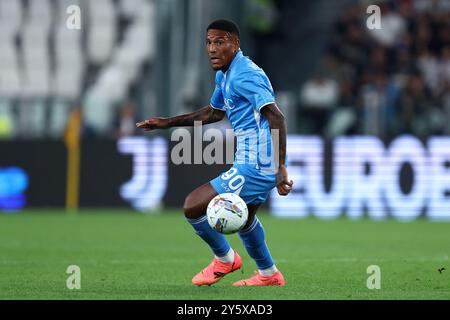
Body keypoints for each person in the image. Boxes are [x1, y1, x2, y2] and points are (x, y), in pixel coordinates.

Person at [136, 19, 293, 286]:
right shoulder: (225, 74)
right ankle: (269, 274)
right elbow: (213, 113)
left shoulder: (246, 74)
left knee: (193, 206)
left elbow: (276, 117)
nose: (212, 48)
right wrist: (167, 122)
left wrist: (280, 168)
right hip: (250, 157)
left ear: (235, 44)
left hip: (258, 162)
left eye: (220, 42)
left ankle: (225, 258)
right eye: (209, 42)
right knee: (246, 221)